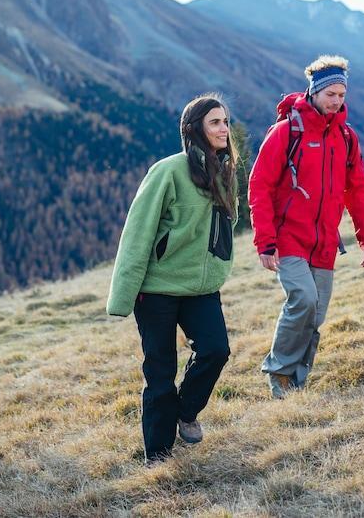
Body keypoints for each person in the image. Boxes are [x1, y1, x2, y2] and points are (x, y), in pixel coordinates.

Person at [106, 94, 238, 464]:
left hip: (200, 288)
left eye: (225, 121)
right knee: (160, 371)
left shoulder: (225, 170)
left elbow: (226, 226)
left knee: (216, 350)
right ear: (194, 129)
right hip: (157, 290)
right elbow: (137, 232)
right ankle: (158, 455)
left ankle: (186, 411)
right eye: (215, 122)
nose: (224, 128)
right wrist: (123, 296)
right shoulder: (167, 170)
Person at [249, 55, 364, 399]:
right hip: (288, 237)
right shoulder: (286, 132)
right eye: (330, 94)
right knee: (303, 299)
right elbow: (259, 185)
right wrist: (265, 240)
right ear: (314, 91)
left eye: (341, 95)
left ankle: (297, 380)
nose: (336, 101)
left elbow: (359, 191)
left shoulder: (346, 137)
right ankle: (278, 371)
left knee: (316, 314)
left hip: (324, 242)